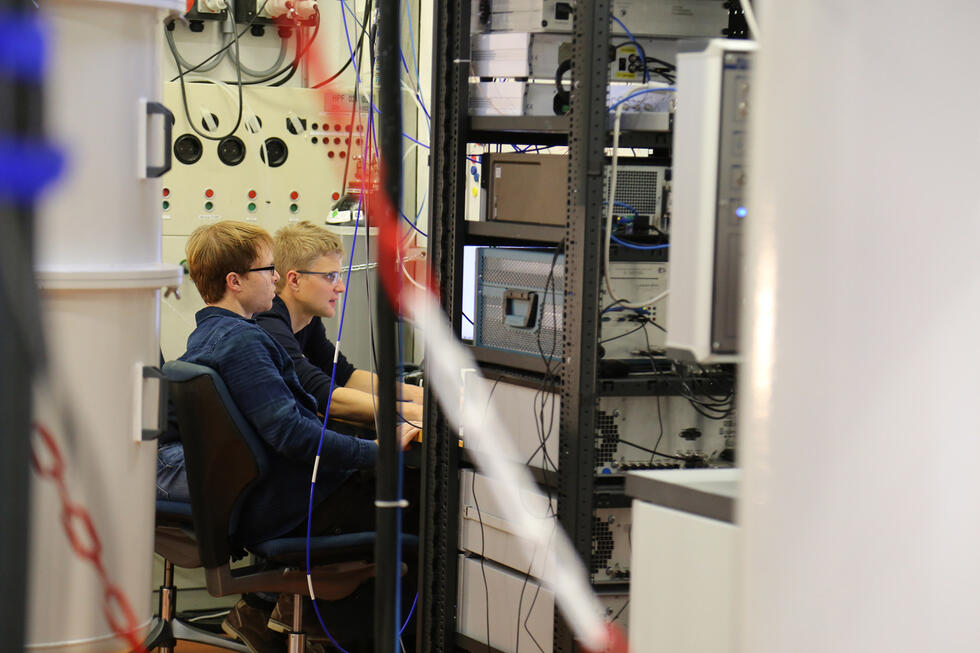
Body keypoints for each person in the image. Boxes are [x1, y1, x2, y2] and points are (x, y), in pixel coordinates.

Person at [156, 221, 418, 652]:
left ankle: (293, 622)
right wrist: (378, 451)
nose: (276, 279)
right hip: (270, 504)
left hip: (255, 496)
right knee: (416, 507)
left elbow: (299, 419)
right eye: (268, 270)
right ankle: (333, 635)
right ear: (235, 282)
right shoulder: (243, 342)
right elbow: (292, 434)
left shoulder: (214, 333)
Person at [255, 220, 424, 429]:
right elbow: (328, 399)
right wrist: (414, 411)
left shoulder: (306, 320)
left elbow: (345, 376)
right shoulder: (269, 326)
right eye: (330, 277)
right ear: (295, 280)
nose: (341, 287)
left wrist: (423, 397)